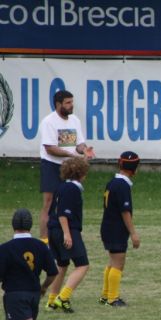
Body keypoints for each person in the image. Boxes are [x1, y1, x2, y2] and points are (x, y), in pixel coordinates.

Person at [0, 209, 57, 320]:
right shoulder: (41, 246)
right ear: (30, 225)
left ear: (13, 225)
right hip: (33, 295)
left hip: (15, 296)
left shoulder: (5, 248)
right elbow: (53, 272)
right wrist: (43, 288)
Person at [39, 90, 95, 243]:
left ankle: (70, 233)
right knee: (49, 202)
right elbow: (50, 148)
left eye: (72, 102)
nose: (72, 105)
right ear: (58, 104)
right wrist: (71, 155)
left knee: (70, 200)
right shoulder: (48, 122)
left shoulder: (75, 120)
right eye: (68, 103)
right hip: (52, 165)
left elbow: (79, 144)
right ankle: (44, 240)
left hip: (70, 166)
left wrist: (84, 150)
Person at [45, 157, 91, 313]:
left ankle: (51, 301)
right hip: (66, 229)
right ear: (81, 173)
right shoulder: (72, 189)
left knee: (62, 265)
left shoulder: (61, 186)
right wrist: (67, 234)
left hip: (52, 229)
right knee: (82, 265)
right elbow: (63, 213)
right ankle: (63, 297)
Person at [99, 151, 141, 307]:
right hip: (116, 229)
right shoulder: (123, 186)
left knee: (112, 262)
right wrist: (133, 233)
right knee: (118, 263)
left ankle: (105, 295)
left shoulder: (112, 182)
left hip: (107, 226)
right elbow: (125, 212)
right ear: (134, 170)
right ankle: (113, 298)